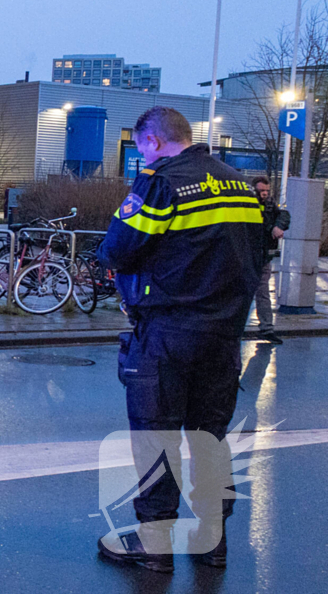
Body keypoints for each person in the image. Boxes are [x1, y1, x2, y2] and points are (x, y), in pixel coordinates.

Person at [96, 107, 263, 573]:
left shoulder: (161, 182)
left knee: (157, 437)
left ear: (151, 141)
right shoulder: (238, 183)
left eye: (142, 146)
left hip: (169, 330)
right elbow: (256, 253)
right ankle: (213, 541)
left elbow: (119, 248)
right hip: (225, 334)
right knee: (210, 438)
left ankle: (155, 544)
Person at [251, 176, 290, 345]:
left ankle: (266, 328)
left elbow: (284, 215)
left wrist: (278, 226)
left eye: (267, 190)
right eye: (261, 191)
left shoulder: (270, 205)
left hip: (262, 256)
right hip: (246, 256)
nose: (265, 194)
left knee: (263, 293)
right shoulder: (246, 205)